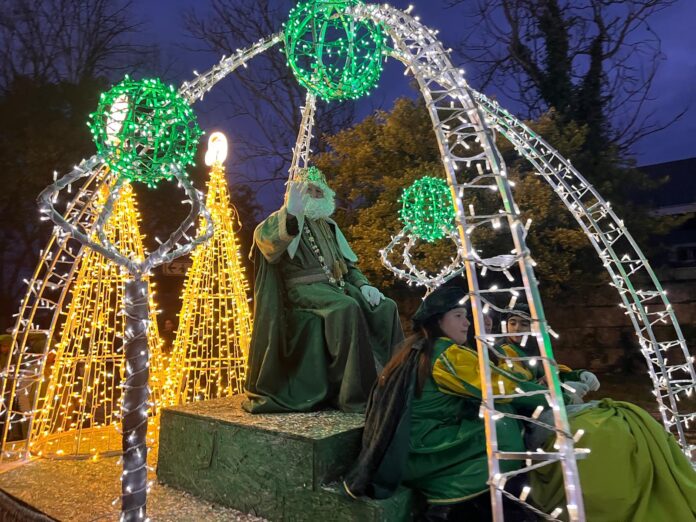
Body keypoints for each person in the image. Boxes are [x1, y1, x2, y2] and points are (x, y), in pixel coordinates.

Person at [344, 286, 557, 521]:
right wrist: (558, 397)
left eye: (466, 316)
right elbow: (503, 387)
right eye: (458, 316)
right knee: (502, 424)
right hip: (421, 450)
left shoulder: (421, 348)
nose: (467, 323)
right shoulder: (447, 354)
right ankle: (451, 499)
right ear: (438, 321)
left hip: (409, 446)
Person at [244, 166, 404, 413]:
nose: (315, 195)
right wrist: (290, 214)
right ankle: (352, 394)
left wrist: (364, 285)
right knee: (346, 308)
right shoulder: (282, 220)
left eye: (319, 191)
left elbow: (349, 266)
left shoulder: (329, 227)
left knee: (386, 307)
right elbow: (267, 243)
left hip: (338, 286)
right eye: (308, 190)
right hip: (304, 289)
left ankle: (391, 383)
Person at [496, 304, 600, 400]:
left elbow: (550, 372)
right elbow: (518, 387)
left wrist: (578, 374)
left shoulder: (537, 346)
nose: (517, 328)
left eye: (524, 324)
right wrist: (561, 389)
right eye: (512, 323)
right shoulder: (501, 350)